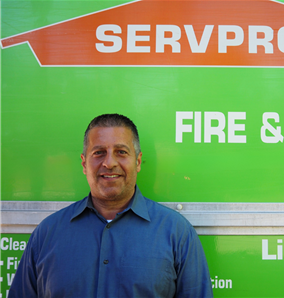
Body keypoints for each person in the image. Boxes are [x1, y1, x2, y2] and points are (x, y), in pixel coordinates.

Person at [8, 113, 213, 298]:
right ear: (83, 164)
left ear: (138, 161)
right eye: (98, 152)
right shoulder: (47, 233)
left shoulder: (176, 233)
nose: (109, 163)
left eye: (121, 152)